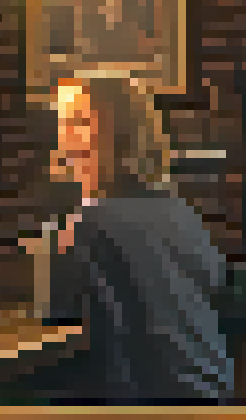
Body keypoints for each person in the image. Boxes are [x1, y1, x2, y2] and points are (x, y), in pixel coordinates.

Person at [28, 77, 234, 402]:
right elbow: (216, 287)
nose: (64, 137)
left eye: (79, 122)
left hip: (144, 416)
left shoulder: (86, 224)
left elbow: (53, 318)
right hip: (214, 398)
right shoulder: (181, 213)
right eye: (62, 121)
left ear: (116, 136)